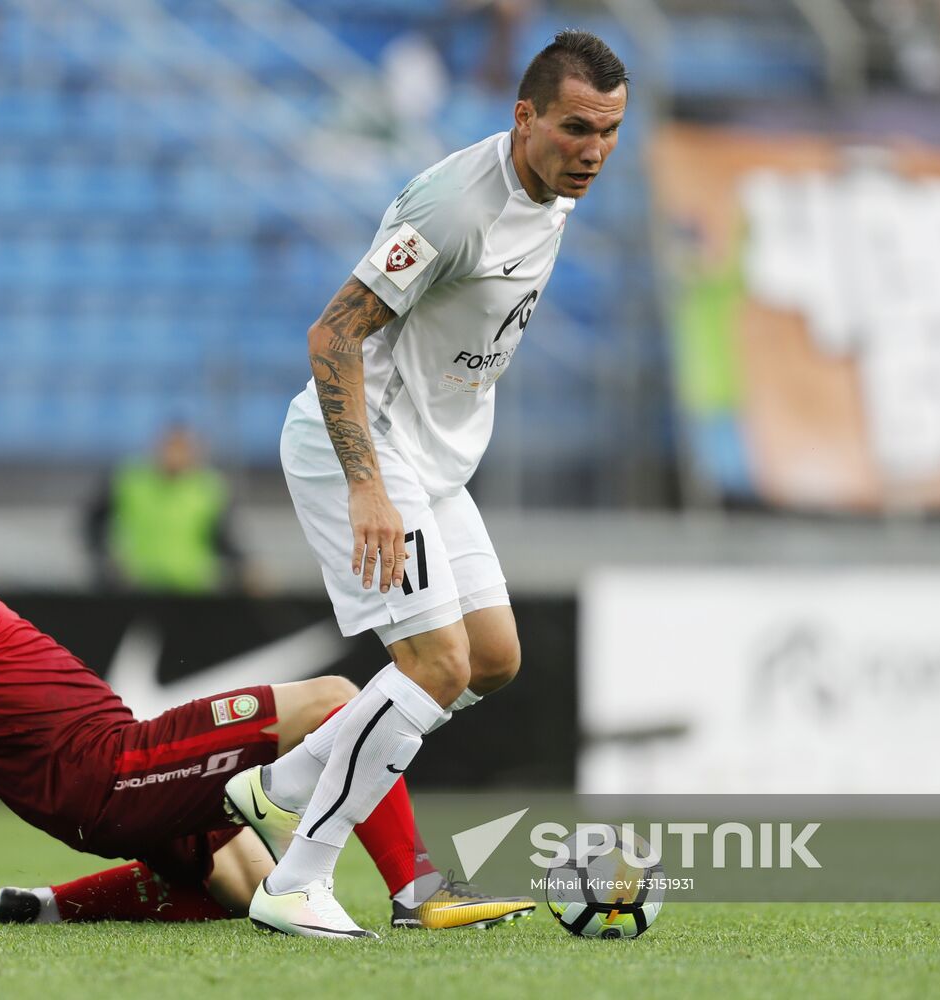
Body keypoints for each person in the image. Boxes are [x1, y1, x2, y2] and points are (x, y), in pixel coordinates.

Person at [0, 418, 532, 932]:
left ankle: (48, 905)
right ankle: (417, 892)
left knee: (246, 884)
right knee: (336, 700)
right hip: (111, 769)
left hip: (107, 793)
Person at [221, 30, 629, 938]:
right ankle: (298, 877)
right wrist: (369, 487)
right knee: (434, 665)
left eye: (607, 132)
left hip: (434, 459)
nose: (593, 152)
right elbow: (332, 335)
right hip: (359, 447)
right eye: (574, 129)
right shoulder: (451, 207)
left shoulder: (554, 188)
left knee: (491, 659)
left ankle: (282, 785)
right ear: (523, 117)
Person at [84, 424, 247, 594]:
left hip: (191, 588)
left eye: (182, 449)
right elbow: (93, 523)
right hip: (139, 587)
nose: (175, 456)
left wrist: (244, 566)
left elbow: (223, 539)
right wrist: (106, 560)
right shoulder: (131, 481)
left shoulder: (209, 489)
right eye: (170, 447)